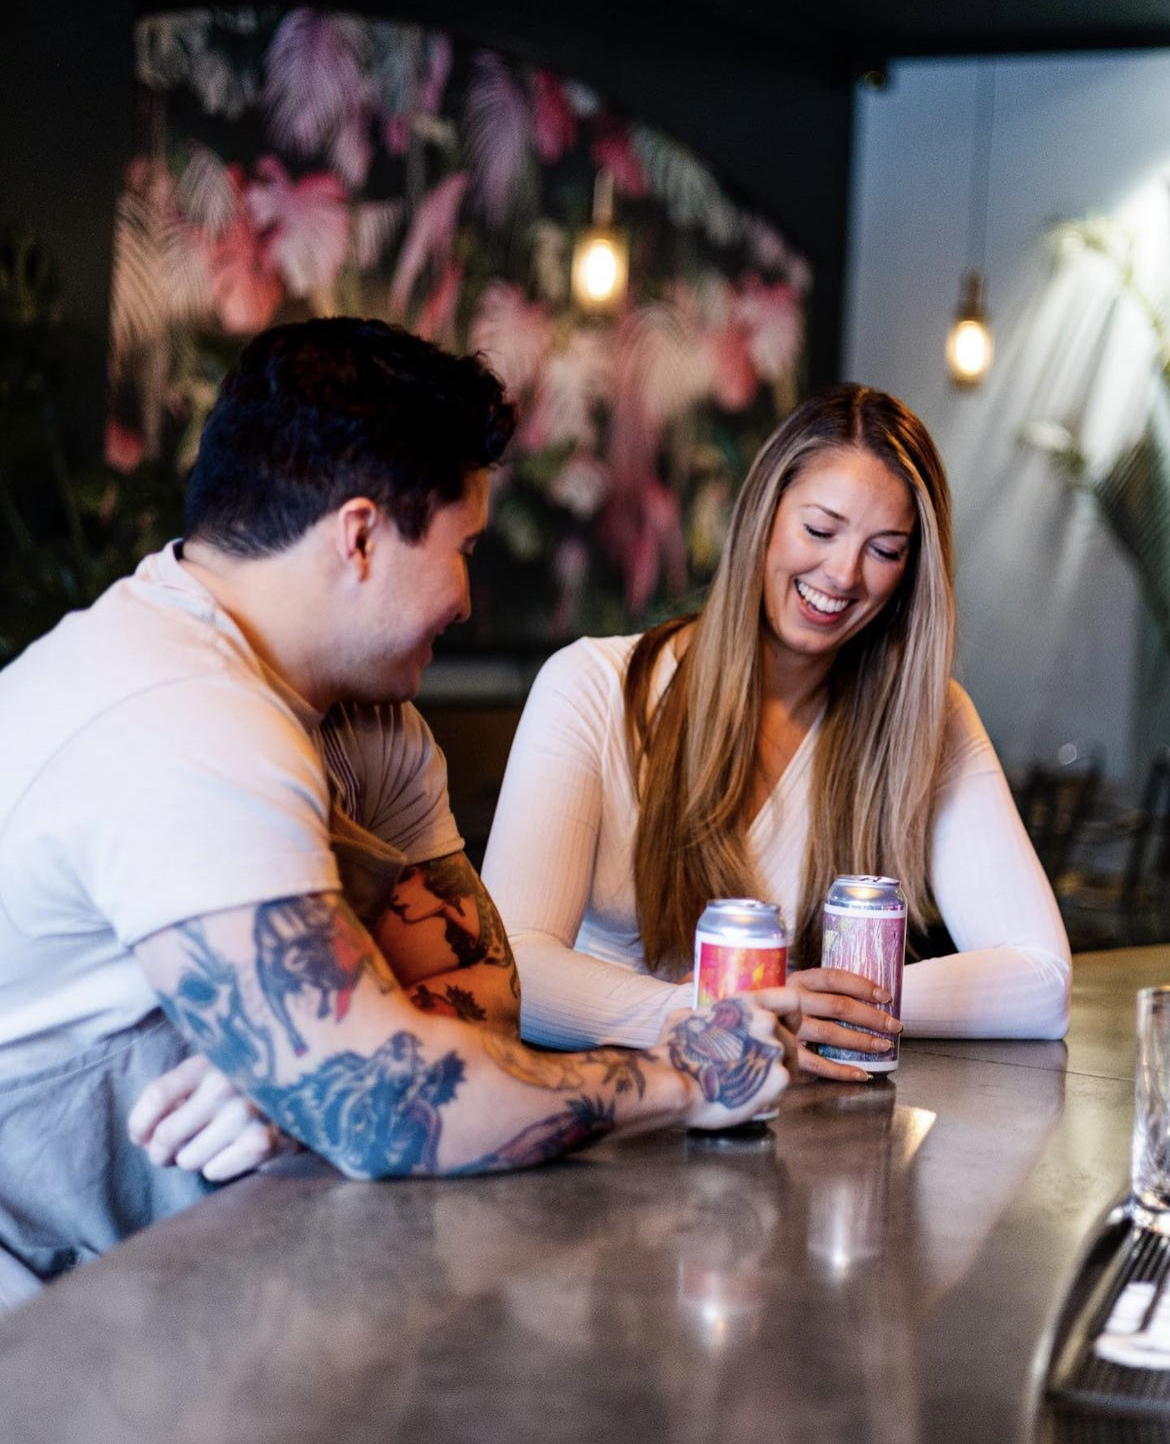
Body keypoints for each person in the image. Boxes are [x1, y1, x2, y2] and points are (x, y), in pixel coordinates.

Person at [0, 318, 801, 1292]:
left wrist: (304, 1076)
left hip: (164, 1269)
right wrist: (681, 1079)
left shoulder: (365, 723)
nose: (466, 596)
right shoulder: (184, 720)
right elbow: (389, 1107)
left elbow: (486, 999)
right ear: (363, 535)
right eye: (463, 545)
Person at [480, 383, 1072, 1078]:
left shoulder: (928, 717)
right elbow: (510, 966)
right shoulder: (589, 687)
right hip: (614, 1117)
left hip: (802, 1134)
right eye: (820, 531)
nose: (843, 574)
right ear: (763, 516)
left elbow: (1042, 984)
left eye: (884, 550)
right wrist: (728, 1013)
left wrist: (816, 1007)